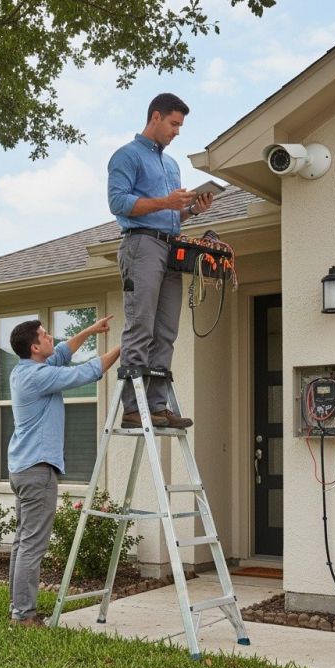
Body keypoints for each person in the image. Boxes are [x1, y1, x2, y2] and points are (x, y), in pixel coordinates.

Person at [107, 92, 214, 429]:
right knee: (141, 325)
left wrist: (193, 209)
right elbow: (119, 203)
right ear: (156, 117)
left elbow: (171, 213)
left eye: (180, 126)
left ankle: (156, 405)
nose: (177, 131)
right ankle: (132, 408)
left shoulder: (171, 164)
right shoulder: (126, 156)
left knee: (166, 330)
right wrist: (164, 201)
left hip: (171, 247)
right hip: (141, 246)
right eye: (174, 124)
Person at [7, 316, 120, 627]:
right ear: (34, 346)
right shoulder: (38, 377)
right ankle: (23, 615)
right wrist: (125, 347)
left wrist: (90, 330)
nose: (50, 337)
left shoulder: (24, 370)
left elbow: (63, 352)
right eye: (44, 335)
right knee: (32, 544)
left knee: (22, 541)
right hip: (37, 471)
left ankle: (18, 608)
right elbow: (87, 372)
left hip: (23, 469)